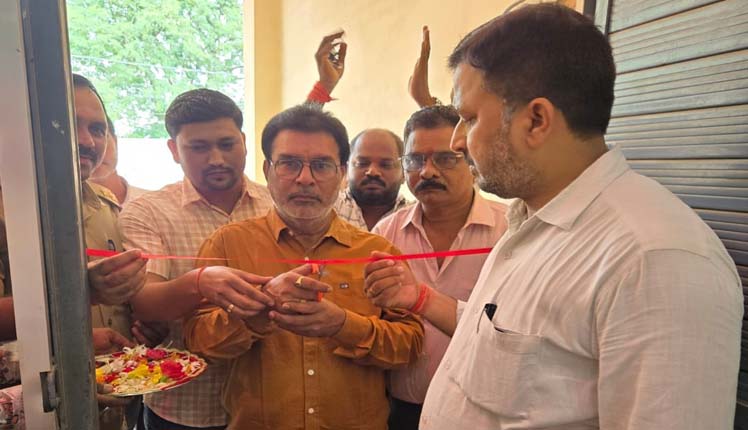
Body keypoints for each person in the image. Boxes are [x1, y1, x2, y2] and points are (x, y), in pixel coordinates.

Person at [364, 4, 743, 429]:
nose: (457, 142)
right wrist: (420, 298)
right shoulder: (532, 221)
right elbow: (500, 340)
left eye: (468, 119)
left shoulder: (655, 261)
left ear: (536, 120)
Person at [184, 105, 424, 430]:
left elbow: (410, 346)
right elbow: (198, 344)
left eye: (321, 165)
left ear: (341, 174)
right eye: (289, 163)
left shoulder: (376, 252)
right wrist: (257, 314)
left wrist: (343, 325)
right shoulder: (227, 245)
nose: (305, 179)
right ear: (267, 170)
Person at [119, 88, 273, 430]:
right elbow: (145, 302)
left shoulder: (275, 205)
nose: (216, 158)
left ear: (244, 141)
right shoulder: (148, 212)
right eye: (199, 147)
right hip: (187, 405)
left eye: (227, 144)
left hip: (268, 401)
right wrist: (200, 283)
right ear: (174, 150)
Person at [372, 105, 507, 429]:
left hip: (483, 413)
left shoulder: (510, 232)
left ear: (473, 162)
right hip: (402, 411)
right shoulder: (384, 235)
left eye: (445, 159)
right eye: (415, 160)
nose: (427, 172)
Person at [334, 128, 410, 230]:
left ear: (404, 173)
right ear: (347, 170)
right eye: (362, 163)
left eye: (386, 165)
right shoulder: (326, 211)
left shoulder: (417, 218)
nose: (373, 172)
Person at [90, 116, 147, 206]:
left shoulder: (156, 205)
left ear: (115, 142)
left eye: (99, 133)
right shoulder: (67, 211)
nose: (91, 147)